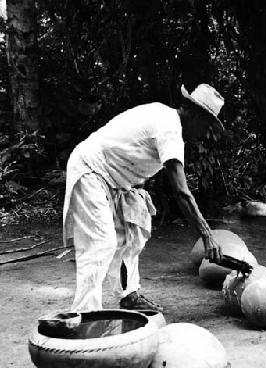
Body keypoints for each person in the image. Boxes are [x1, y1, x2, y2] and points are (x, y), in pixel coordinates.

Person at [63, 84, 224, 312]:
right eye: (206, 125)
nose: (205, 133)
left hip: (115, 180)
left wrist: (132, 195)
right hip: (91, 170)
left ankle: (128, 295)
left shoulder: (165, 118)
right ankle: (85, 315)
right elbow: (181, 191)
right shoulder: (170, 128)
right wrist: (207, 234)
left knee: (132, 233)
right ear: (194, 114)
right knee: (101, 243)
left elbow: (131, 152)